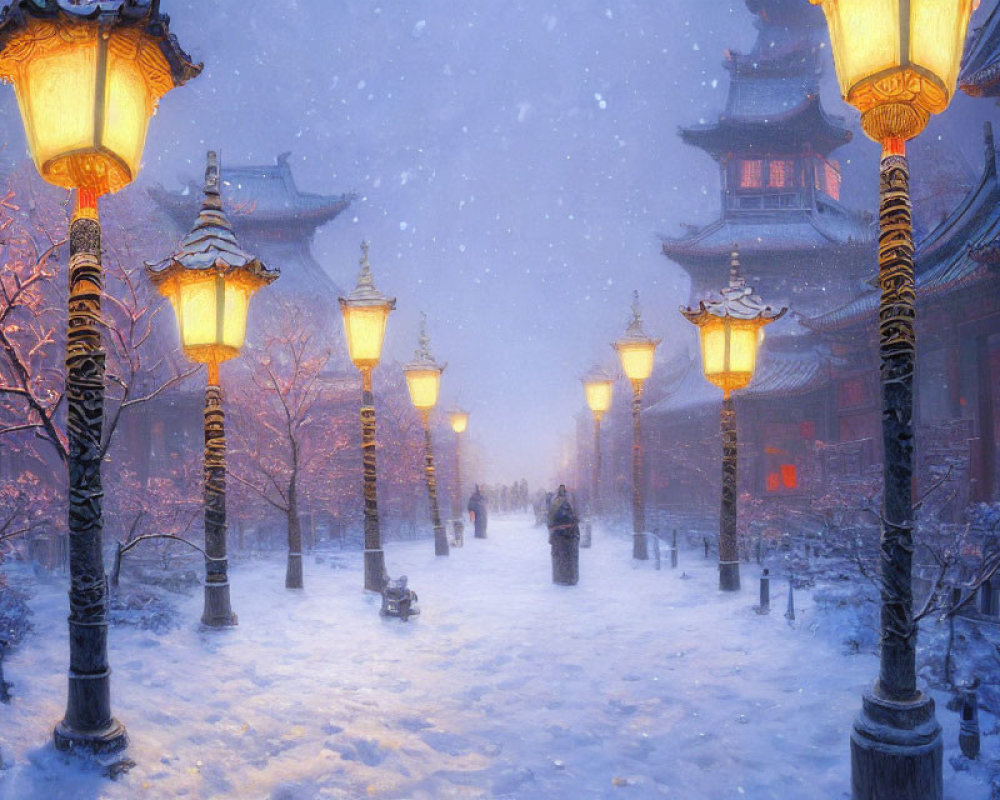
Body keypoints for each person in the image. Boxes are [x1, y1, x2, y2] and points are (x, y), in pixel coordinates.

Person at [546, 485, 579, 585]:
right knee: (569, 557)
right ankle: (570, 578)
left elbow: (549, 521)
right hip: (569, 536)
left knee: (558, 557)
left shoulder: (554, 504)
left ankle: (559, 577)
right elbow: (575, 519)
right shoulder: (569, 503)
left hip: (557, 536)